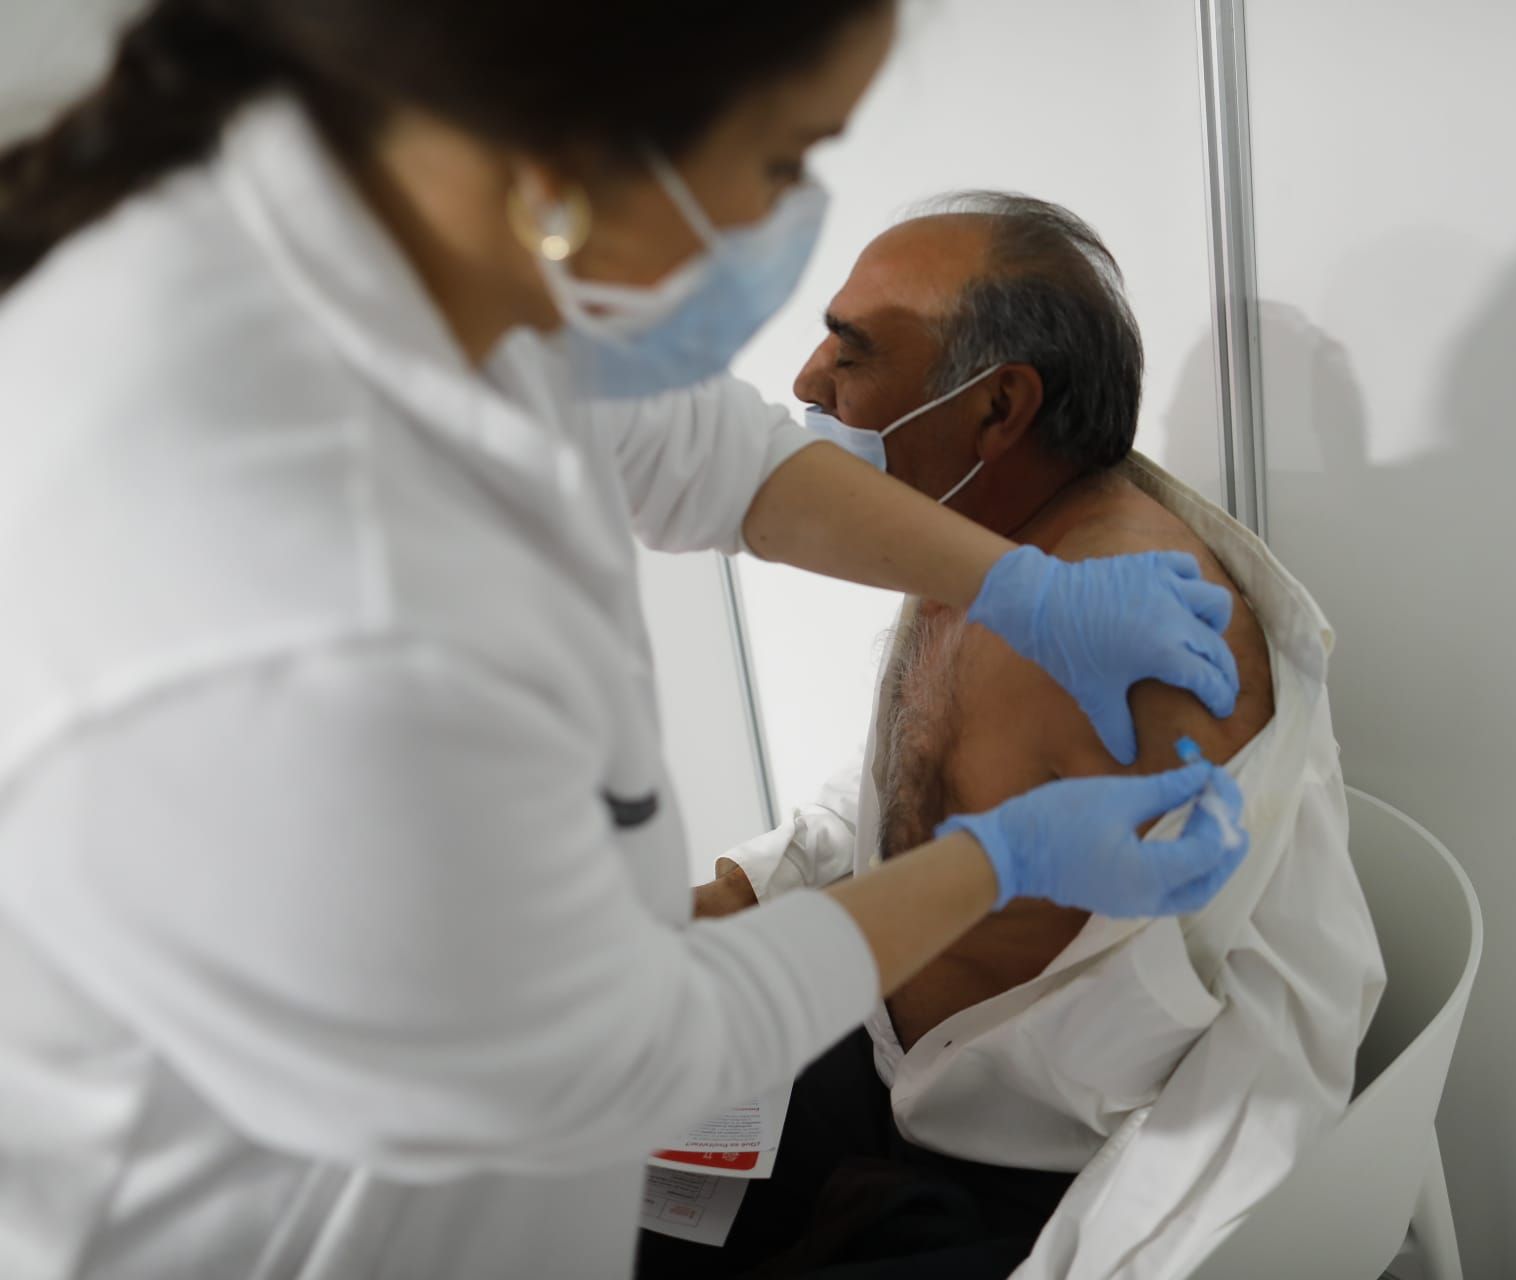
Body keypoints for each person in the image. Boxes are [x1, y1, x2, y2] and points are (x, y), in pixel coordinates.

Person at [0, 6, 1253, 1279]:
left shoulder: (425, 249)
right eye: (781, 159)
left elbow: (713, 450)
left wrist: (1022, 591)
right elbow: (627, 1049)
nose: (792, 220)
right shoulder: (326, 596)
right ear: (567, 158)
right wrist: (998, 860)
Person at [677, 194, 1386, 1277]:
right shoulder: (983, 548)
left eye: (852, 352)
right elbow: (910, 789)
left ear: (998, 406)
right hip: (893, 1079)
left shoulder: (1148, 643)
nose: (808, 380)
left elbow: (1265, 1045)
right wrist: (750, 881)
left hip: (1035, 1178)